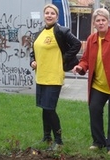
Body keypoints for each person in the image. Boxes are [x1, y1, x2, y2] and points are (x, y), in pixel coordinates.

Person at [72, 8, 110, 155]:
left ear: (108, 22)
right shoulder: (92, 39)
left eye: (103, 20)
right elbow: (86, 59)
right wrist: (80, 67)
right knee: (94, 110)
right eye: (98, 20)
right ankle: (98, 141)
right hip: (99, 84)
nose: (100, 23)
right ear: (94, 23)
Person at [29, 4, 81, 150]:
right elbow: (33, 51)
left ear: (56, 16)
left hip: (53, 76)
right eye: (47, 13)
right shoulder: (39, 33)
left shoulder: (61, 31)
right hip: (41, 75)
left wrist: (64, 58)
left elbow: (76, 44)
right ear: (44, 15)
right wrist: (32, 61)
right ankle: (46, 137)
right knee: (44, 108)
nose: (49, 15)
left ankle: (58, 141)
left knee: (50, 108)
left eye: (52, 13)